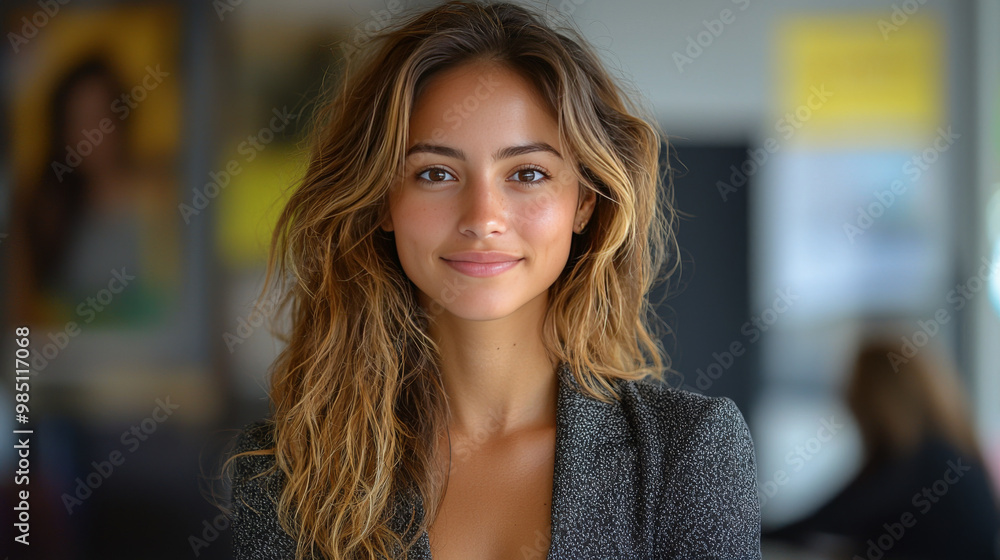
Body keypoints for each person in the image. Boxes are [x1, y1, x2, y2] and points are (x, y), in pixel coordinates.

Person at [225, 2, 761, 559]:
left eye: (527, 174)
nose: (483, 217)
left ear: (584, 203)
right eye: (436, 173)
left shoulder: (688, 452)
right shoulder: (285, 473)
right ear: (382, 200)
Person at [765, 337, 1000, 559]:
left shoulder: (916, 464)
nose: (847, 400)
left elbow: (828, 519)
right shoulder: (947, 453)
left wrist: (748, 530)